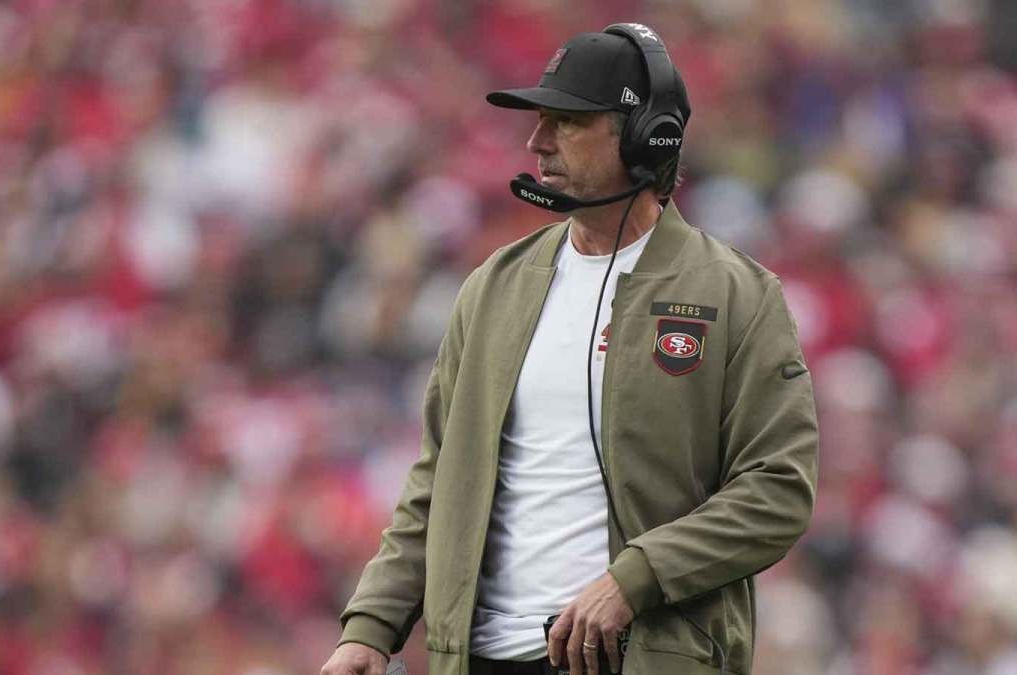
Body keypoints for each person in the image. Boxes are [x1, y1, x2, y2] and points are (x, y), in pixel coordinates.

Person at [320, 23, 818, 675]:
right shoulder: (494, 286)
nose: (537, 141)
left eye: (567, 121)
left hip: (637, 657)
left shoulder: (736, 296)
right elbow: (441, 480)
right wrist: (370, 625)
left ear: (645, 136)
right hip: (479, 657)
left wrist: (634, 578)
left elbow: (779, 490)